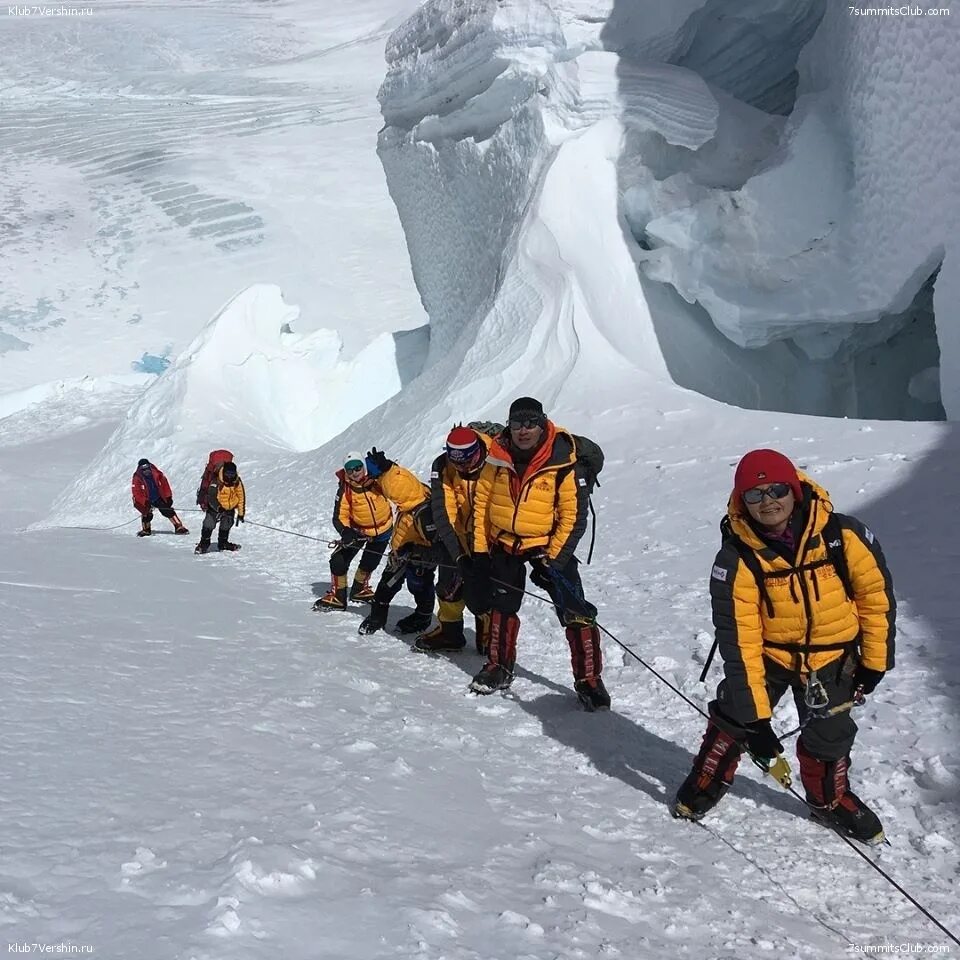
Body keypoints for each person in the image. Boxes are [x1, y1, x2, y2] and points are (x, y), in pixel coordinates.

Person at [673, 449, 895, 845]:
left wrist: (874, 662)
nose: (768, 502)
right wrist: (758, 722)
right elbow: (738, 641)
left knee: (831, 735)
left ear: (795, 490)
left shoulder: (842, 537)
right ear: (742, 501)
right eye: (754, 495)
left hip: (832, 659)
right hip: (769, 654)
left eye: (776, 489)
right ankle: (709, 774)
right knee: (735, 715)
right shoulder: (737, 557)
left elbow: (875, 599)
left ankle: (829, 799)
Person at [468, 398, 610, 711]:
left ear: (543, 422)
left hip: (547, 545)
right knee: (501, 608)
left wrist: (554, 560)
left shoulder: (561, 459)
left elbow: (572, 516)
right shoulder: (497, 455)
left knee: (575, 610)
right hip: (505, 543)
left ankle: (589, 679)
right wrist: (480, 552)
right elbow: (482, 506)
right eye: (517, 423)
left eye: (530, 422)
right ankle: (499, 667)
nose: (523, 430)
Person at [415, 424, 502, 653]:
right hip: (460, 534)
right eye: (456, 462)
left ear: (477, 451)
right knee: (448, 585)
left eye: (466, 461)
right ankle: (450, 632)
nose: (461, 467)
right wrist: (459, 555)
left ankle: (488, 632)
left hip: (493, 537)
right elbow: (444, 511)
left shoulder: (499, 458)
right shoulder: (443, 466)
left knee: (488, 587)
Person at [357, 449, 440, 636]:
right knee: (387, 584)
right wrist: (385, 469)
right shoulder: (412, 495)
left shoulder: (424, 514)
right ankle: (377, 618)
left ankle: (423, 617)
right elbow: (396, 480)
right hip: (401, 552)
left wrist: (414, 550)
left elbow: (439, 549)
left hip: (419, 558)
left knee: (419, 586)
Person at [314, 451, 394, 610]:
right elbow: (339, 516)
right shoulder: (345, 489)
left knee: (370, 562)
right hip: (358, 532)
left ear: (364, 467)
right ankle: (338, 596)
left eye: (357, 468)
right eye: (349, 470)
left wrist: (388, 465)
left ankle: (359, 589)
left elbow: (396, 481)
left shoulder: (377, 479)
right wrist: (345, 532)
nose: (354, 473)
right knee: (338, 561)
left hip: (383, 529)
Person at [195, 459, 245, 554]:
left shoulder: (237, 481)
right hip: (215, 507)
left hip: (229, 508)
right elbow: (211, 497)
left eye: (232, 474)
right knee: (209, 524)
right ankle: (204, 544)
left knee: (226, 525)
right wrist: (219, 508)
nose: (230, 476)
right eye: (228, 474)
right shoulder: (216, 480)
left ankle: (223, 543)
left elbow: (241, 496)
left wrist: (241, 513)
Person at [131, 458, 188, 536]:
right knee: (146, 514)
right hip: (146, 499)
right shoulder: (137, 478)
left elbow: (165, 485)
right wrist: (144, 502)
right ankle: (146, 529)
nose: (146, 471)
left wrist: (168, 496)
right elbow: (136, 493)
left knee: (167, 510)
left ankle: (179, 526)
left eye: (147, 468)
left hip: (158, 497)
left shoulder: (157, 474)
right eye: (143, 469)